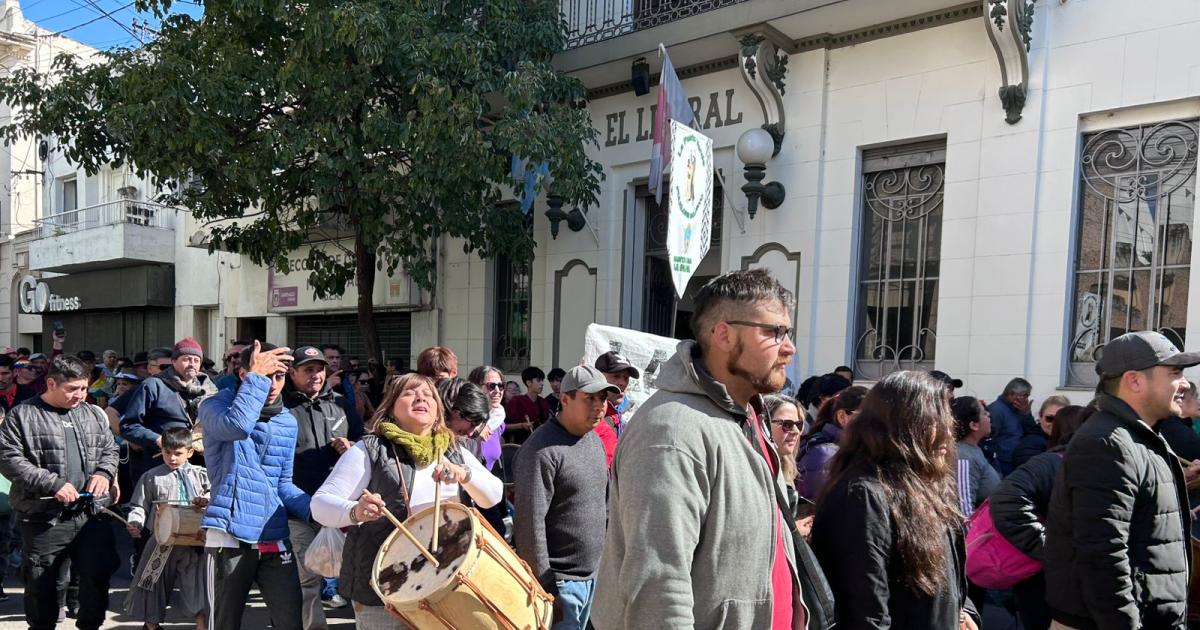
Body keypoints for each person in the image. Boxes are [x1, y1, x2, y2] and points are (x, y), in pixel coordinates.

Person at [594, 269, 834, 630]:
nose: (789, 347)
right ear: (723, 334)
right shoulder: (672, 431)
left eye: (788, 332)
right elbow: (659, 589)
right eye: (774, 332)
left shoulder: (748, 414)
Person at [310, 373, 503, 629]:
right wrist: (355, 511)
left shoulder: (452, 450)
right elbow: (320, 504)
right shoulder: (370, 450)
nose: (421, 397)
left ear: (438, 411)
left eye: (428, 395)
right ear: (390, 407)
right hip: (386, 591)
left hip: (446, 586)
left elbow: (493, 496)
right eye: (410, 392)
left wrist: (465, 475)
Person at [1045, 331, 1196, 629]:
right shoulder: (1106, 443)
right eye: (1175, 373)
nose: (1185, 384)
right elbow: (1103, 558)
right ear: (1135, 381)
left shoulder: (1141, 436)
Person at [811, 371, 979, 629]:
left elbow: (950, 578)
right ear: (903, 424)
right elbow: (865, 613)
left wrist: (965, 614)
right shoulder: (862, 494)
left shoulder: (929, 485)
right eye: (936, 419)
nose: (949, 431)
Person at [0, 354, 120, 630]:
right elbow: (9, 458)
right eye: (72, 389)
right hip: (44, 516)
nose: (79, 395)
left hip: (91, 513)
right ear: (51, 383)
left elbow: (110, 449)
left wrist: (103, 473)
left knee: (97, 573)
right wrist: (52, 484)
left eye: (84, 388)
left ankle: (90, 624)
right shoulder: (23, 414)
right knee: (43, 583)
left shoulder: (92, 413)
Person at [199, 341, 309, 630]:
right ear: (243, 374)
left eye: (278, 376)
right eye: (263, 375)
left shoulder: (287, 421)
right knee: (224, 622)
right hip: (229, 533)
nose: (271, 384)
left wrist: (321, 510)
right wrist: (257, 379)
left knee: (290, 621)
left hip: (273, 534)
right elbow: (238, 427)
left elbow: (283, 485)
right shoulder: (215, 405)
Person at [514, 366, 615, 630]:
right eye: (589, 398)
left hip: (595, 578)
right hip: (559, 584)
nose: (599, 406)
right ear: (565, 399)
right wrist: (546, 588)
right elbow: (529, 524)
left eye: (603, 398)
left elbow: (605, 505)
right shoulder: (540, 451)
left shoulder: (593, 440)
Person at [989, 405, 1093, 630]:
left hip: (1056, 580)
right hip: (1041, 579)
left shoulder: (1085, 462)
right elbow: (1006, 500)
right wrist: (1049, 545)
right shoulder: (1051, 461)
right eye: (1048, 417)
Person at [283, 346, 355, 626]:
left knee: (348, 574)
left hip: (339, 508)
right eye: (308, 369)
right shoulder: (282, 408)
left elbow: (363, 443)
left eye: (320, 369)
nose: (316, 375)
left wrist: (350, 447)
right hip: (298, 508)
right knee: (307, 580)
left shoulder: (340, 404)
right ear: (293, 373)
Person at [124, 426, 211, 630]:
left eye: (178, 453)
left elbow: (215, 494)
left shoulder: (202, 475)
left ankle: (203, 626)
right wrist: (135, 522)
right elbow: (138, 505)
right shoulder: (151, 477)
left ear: (190, 452)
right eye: (167, 452)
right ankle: (152, 626)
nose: (172, 458)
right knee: (151, 586)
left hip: (194, 543)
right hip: (161, 542)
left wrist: (206, 498)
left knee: (198, 587)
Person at [120, 337, 218, 472]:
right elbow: (128, 426)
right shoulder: (153, 385)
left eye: (196, 360)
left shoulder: (209, 389)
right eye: (186, 359)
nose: (192, 364)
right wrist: (158, 440)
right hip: (159, 468)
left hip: (198, 469)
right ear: (173, 361)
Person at [795, 385, 868, 502]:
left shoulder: (846, 449)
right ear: (842, 417)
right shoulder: (825, 455)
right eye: (866, 417)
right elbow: (817, 508)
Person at [764, 394, 814, 540]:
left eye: (799, 425)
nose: (796, 431)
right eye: (787, 424)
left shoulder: (786, 466)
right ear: (764, 424)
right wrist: (792, 532)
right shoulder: (754, 470)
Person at [952, 396, 1001, 514]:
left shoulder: (973, 449)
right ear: (974, 425)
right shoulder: (964, 456)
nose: (989, 415)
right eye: (984, 413)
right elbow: (963, 510)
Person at [593, 351, 640, 467]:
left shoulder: (628, 411)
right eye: (616, 376)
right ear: (598, 377)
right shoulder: (589, 415)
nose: (623, 383)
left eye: (626, 378)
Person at [987, 377, 1034, 475]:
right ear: (1012, 394)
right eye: (1024, 395)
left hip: (1018, 461)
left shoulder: (1020, 409)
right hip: (1003, 464)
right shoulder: (996, 410)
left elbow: (1032, 432)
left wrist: (1026, 414)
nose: (1026, 399)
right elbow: (990, 439)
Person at [1012, 395, 1070, 470]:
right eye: (1050, 418)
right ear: (1040, 417)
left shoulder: (1069, 440)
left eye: (1060, 419)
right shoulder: (1029, 444)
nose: (1055, 423)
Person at [505, 366, 550, 444]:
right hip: (520, 443)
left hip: (540, 442)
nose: (542, 384)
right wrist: (521, 425)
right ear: (528, 383)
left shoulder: (543, 402)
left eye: (542, 380)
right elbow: (504, 427)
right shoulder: (516, 401)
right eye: (538, 380)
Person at [1158, 380, 1200, 460]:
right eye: (1195, 397)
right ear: (1179, 401)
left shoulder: (1170, 424)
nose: (1199, 402)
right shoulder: (1175, 430)